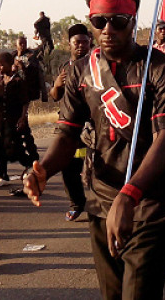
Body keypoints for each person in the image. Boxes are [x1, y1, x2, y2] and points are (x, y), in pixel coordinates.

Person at [23, 0, 165, 299]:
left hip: (149, 201)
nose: (107, 30)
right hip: (101, 199)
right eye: (99, 21)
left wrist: (129, 195)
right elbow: (67, 134)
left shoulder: (160, 67)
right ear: (90, 21)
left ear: (133, 21)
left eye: (118, 21)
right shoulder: (81, 71)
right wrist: (43, 168)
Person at [50, 23, 92, 221]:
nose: (81, 46)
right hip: (69, 125)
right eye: (77, 42)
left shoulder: (96, 65)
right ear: (70, 45)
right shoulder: (63, 68)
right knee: (69, 167)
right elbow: (54, 96)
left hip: (93, 124)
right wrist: (57, 84)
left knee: (97, 168)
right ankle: (77, 203)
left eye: (85, 42)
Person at [0, 52, 38, 193]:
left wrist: (23, 117)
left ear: (10, 64)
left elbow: (25, 101)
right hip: (0, 120)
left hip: (15, 119)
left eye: (1, 65)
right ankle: (2, 175)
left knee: (14, 147)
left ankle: (31, 165)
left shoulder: (18, 81)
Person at [12, 36, 43, 103]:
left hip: (27, 87)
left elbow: (34, 72)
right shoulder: (13, 56)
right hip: (15, 86)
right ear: (16, 45)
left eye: (25, 43)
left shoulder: (31, 56)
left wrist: (22, 67)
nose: (23, 45)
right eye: (20, 43)